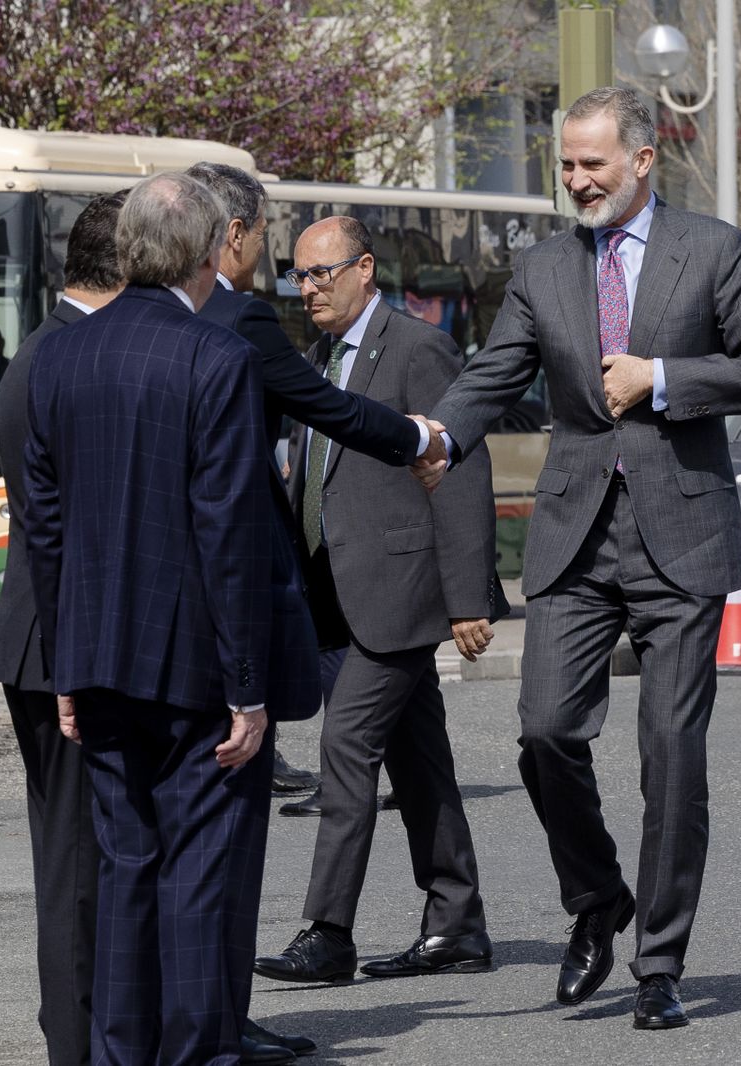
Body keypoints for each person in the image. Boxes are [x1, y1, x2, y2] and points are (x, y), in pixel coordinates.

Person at [427, 87, 741, 1030]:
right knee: (546, 729)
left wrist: (664, 379)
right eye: (566, 163)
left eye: (593, 163)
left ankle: (659, 965)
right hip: (575, 532)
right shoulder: (544, 266)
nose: (576, 179)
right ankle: (596, 900)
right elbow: (493, 373)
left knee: (670, 756)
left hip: (683, 530)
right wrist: (440, 435)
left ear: (642, 161)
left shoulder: (710, 248)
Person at [21, 172, 320, 1066]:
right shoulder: (214, 358)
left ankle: (122, 1053)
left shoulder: (56, 357)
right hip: (194, 663)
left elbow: (44, 526)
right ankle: (195, 1053)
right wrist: (247, 688)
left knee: (122, 868)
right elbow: (226, 528)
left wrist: (67, 665)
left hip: (97, 657)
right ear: (200, 253)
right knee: (196, 872)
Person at [254, 216, 504, 986]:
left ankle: (329, 933)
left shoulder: (418, 346)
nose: (309, 290)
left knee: (346, 749)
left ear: (366, 269)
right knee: (419, 759)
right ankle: (457, 923)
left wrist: (467, 597)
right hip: (340, 590)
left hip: (399, 591)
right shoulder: (323, 354)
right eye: (298, 277)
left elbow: (457, 464)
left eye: (321, 273)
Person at [185, 160, 439, 812]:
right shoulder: (243, 319)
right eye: (273, 243)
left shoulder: (131, 318)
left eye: (317, 272)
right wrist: (419, 438)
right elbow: (331, 411)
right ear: (235, 234)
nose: (297, 282)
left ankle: (441, 900)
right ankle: (339, 911)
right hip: (245, 571)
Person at [0, 191, 126, 1066]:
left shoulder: (51, 346)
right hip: (57, 643)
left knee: (78, 855)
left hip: (45, 638)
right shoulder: (64, 355)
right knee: (75, 863)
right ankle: (75, 1041)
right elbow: (57, 528)